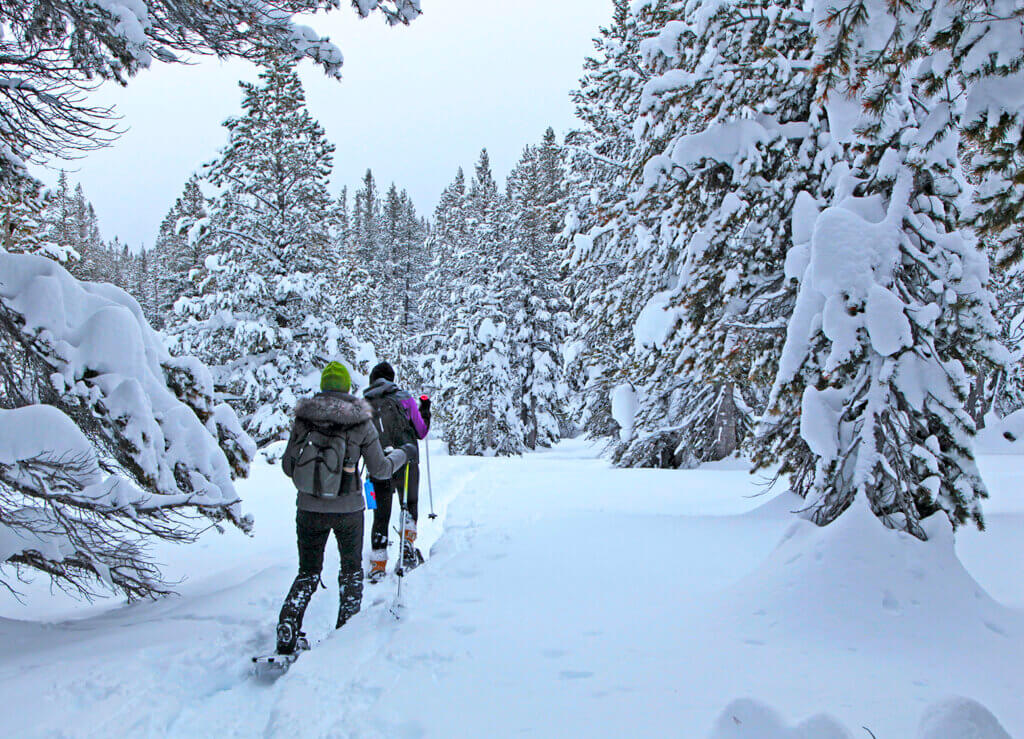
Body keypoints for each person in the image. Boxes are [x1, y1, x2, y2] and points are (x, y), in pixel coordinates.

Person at [276, 361, 419, 655]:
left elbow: (288, 467)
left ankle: (288, 626)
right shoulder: (359, 421)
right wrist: (403, 455)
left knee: (307, 571)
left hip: (308, 508)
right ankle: (345, 636)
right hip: (348, 510)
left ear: (323, 387)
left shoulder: (304, 420)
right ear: (346, 388)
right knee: (351, 572)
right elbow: (379, 469)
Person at [363, 361, 431, 582]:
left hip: (378, 464)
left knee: (379, 515)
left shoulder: (364, 403)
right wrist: (425, 410)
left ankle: (377, 565)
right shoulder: (404, 398)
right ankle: (407, 552)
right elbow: (420, 431)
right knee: (408, 505)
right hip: (407, 460)